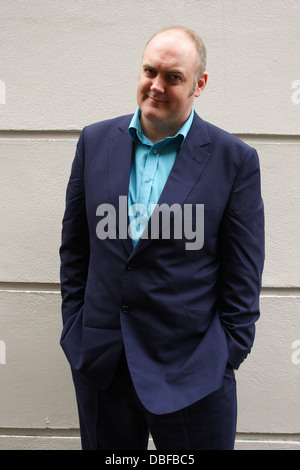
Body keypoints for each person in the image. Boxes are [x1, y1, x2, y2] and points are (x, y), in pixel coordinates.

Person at [59, 26, 265, 450]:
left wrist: (226, 353)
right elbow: (75, 249)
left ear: (199, 84)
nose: (156, 86)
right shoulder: (94, 142)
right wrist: (77, 329)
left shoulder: (234, 160)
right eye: (149, 71)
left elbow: (243, 272)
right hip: (103, 365)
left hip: (193, 374)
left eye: (173, 77)